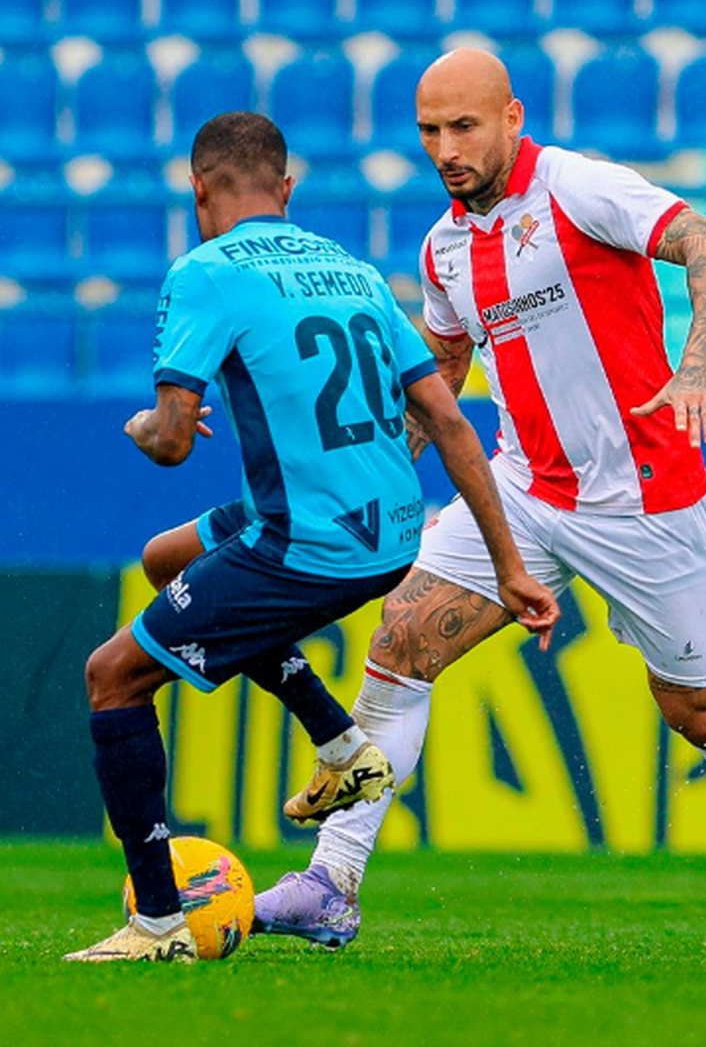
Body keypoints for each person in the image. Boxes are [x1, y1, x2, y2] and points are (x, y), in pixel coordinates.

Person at [252, 49, 706, 955]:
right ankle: (333, 884)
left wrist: (698, 363)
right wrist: (382, 476)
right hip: (520, 487)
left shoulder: (580, 189)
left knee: (698, 712)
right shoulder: (443, 249)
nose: (446, 147)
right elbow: (441, 377)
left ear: (512, 115)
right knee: (398, 645)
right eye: (430, 131)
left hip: (642, 496)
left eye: (464, 126)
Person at [65, 110, 559, 963]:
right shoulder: (352, 269)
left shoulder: (206, 271)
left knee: (112, 678)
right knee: (166, 560)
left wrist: (146, 423)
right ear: (287, 190)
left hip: (308, 542)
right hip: (392, 533)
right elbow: (446, 417)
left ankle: (157, 923)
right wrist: (509, 566)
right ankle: (344, 748)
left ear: (198, 191)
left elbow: (173, 444)